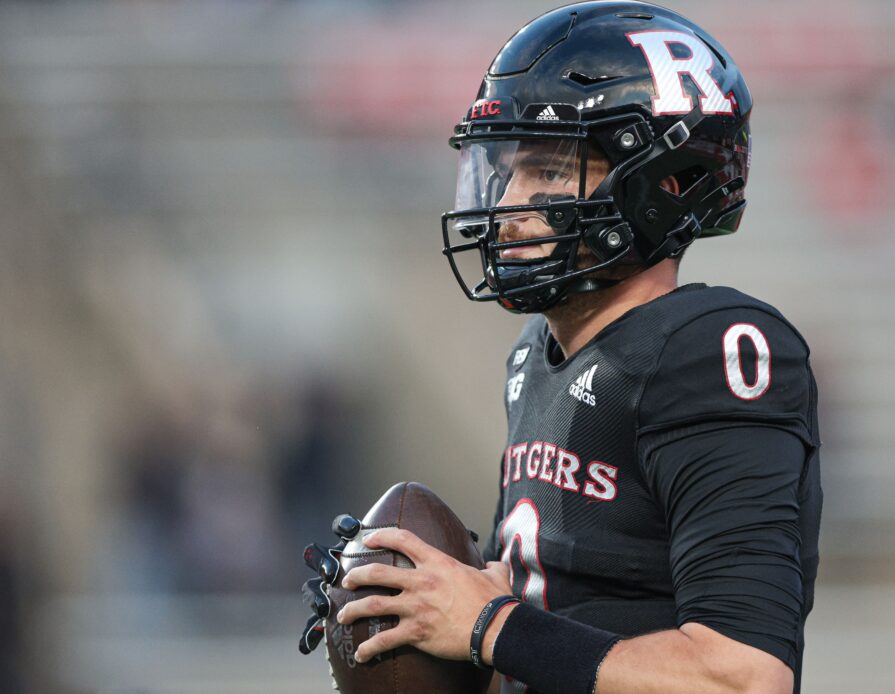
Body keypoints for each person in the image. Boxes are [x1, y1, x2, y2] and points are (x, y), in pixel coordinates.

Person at [302, 3, 822, 693]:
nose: (509, 202)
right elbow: (542, 637)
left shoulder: (711, 350)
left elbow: (744, 678)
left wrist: (488, 624)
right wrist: (415, 618)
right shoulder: (535, 358)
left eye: (548, 171)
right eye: (506, 170)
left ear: (662, 186)